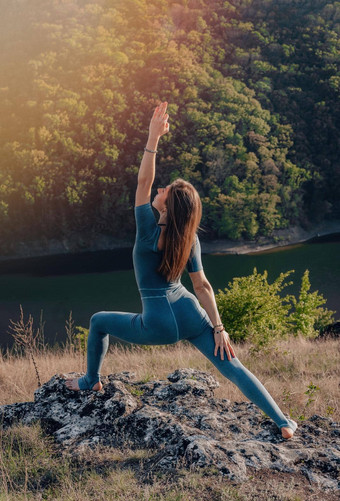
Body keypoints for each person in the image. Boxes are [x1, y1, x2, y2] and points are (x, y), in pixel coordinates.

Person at [65, 101, 297, 440]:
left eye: (165, 192)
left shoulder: (147, 231)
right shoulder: (189, 239)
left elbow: (144, 180)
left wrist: (152, 138)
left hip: (156, 323)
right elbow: (202, 286)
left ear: (166, 206)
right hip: (190, 312)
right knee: (232, 366)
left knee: (99, 321)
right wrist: (219, 327)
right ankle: (282, 422)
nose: (158, 190)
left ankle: (90, 380)